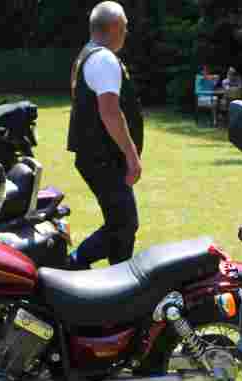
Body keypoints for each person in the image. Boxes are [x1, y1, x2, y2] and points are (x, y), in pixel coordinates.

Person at [67, 1, 144, 268]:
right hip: (104, 158)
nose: (126, 32)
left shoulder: (88, 54)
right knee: (124, 224)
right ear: (113, 27)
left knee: (121, 224)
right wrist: (132, 156)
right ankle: (73, 263)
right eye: (124, 27)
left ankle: (120, 278)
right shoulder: (103, 59)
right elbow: (110, 112)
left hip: (98, 156)